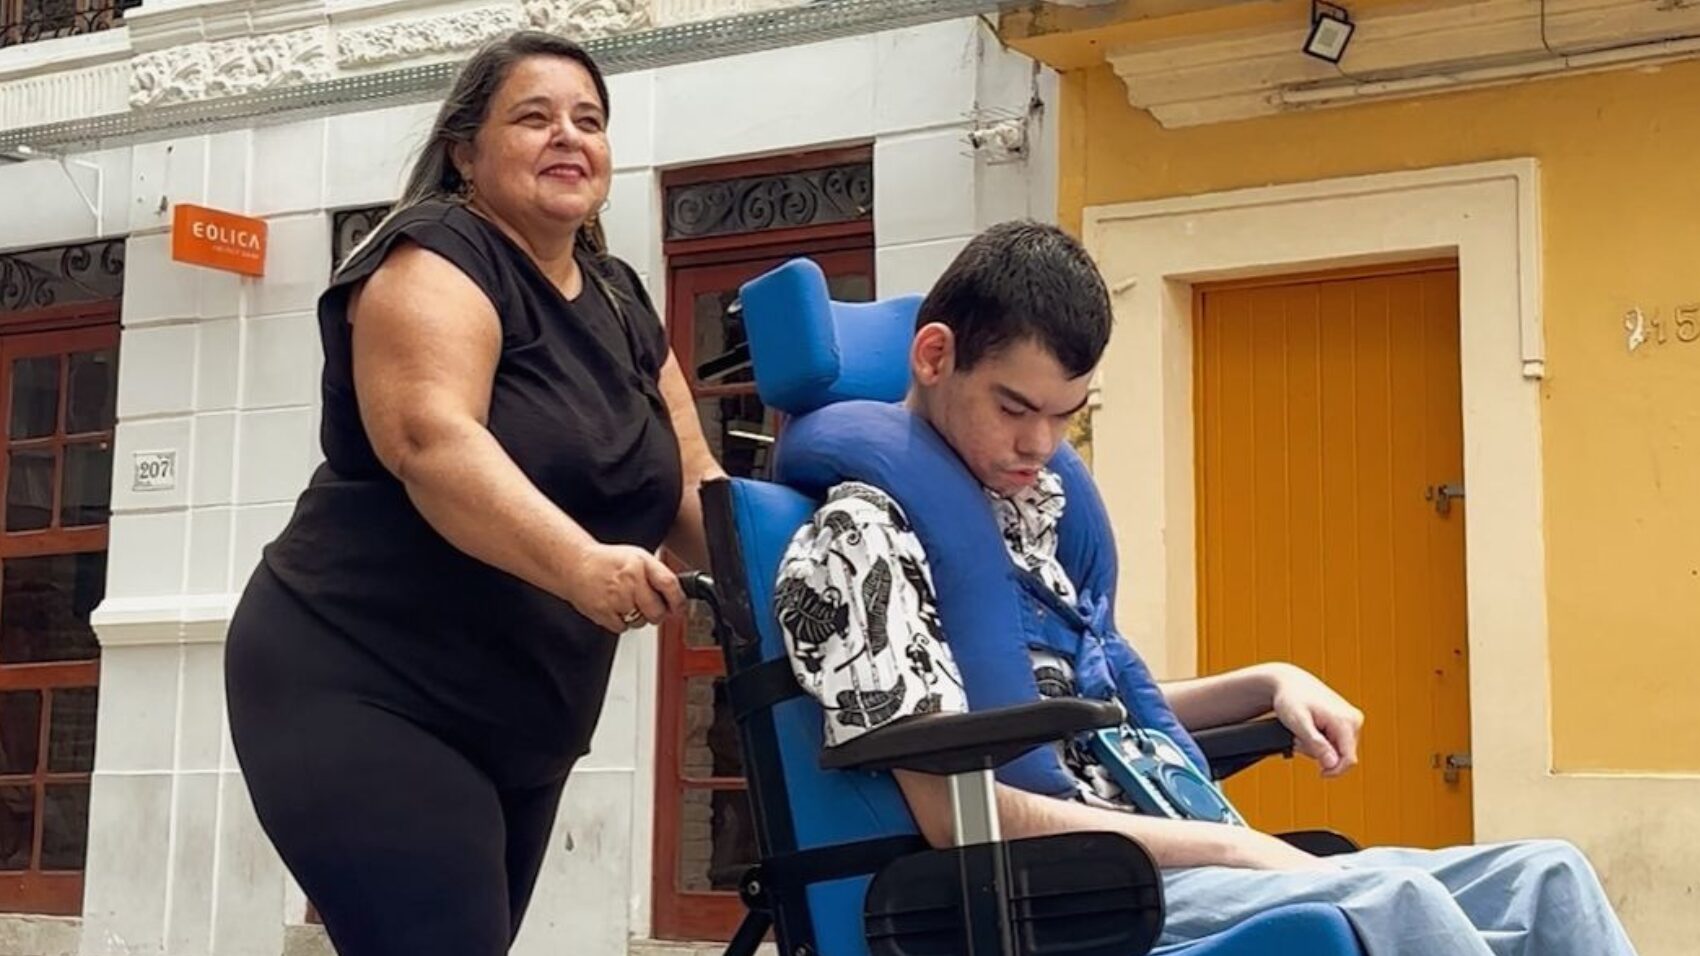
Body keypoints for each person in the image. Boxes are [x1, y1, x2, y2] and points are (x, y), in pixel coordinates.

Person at [772, 221, 1637, 956]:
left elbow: (1078, 714)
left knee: (1546, 875)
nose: (1040, 445)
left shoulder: (1024, 516)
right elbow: (958, 814)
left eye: (1065, 415)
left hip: (1158, 852)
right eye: (1015, 408)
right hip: (1056, 891)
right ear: (934, 356)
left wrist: (1266, 680)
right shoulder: (859, 539)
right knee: (1392, 904)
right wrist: (1231, 849)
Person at [224, 31, 723, 956]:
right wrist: (581, 564)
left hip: (525, 718)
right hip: (361, 676)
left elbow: (694, 486)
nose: (568, 136)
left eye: (589, 121)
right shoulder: (433, 257)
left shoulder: (620, 299)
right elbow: (432, 442)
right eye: (533, 118)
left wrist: (803, 572)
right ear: (465, 151)